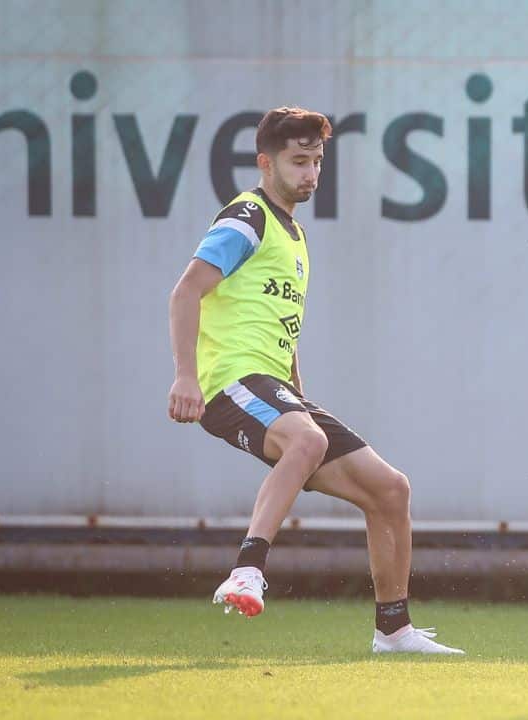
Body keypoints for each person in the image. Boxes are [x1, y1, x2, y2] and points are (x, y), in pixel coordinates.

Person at [167, 107, 462, 655]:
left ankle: (394, 631)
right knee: (306, 439)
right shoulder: (246, 217)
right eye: (298, 161)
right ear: (265, 162)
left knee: (390, 489)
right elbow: (186, 291)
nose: (310, 173)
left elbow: (283, 327)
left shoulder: (295, 235)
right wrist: (186, 376)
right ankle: (248, 570)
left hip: (270, 385)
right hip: (228, 381)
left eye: (317, 161)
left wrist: (296, 392)